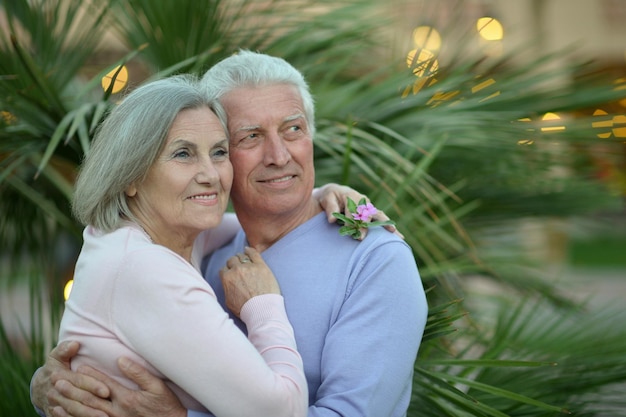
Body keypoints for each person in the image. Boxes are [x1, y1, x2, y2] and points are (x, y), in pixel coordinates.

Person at [32, 51, 428, 417]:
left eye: (293, 129)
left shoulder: (376, 260)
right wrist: (53, 387)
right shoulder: (198, 246)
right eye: (250, 137)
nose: (279, 155)